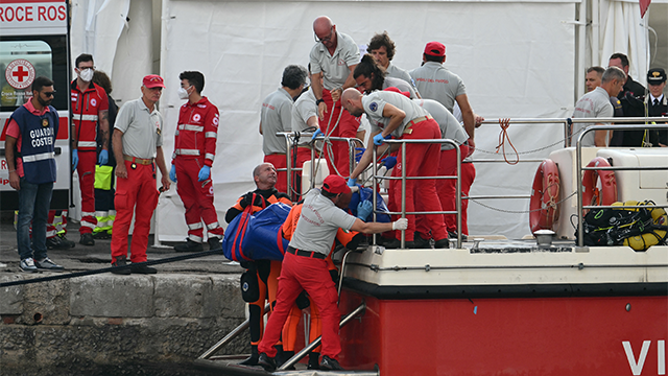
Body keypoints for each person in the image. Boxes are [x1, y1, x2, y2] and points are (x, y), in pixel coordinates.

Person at [257, 175, 408, 372]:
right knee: (329, 310)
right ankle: (329, 356)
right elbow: (362, 228)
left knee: (281, 308)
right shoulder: (332, 213)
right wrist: (394, 226)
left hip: (290, 258)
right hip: (311, 263)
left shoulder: (311, 196)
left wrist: (353, 187)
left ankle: (265, 353)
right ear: (337, 195)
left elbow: (322, 191)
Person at [341, 88, 449, 248]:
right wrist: (353, 176)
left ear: (350, 102)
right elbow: (371, 152)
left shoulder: (371, 102)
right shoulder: (373, 117)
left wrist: (384, 135)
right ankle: (441, 237)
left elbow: (399, 115)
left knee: (401, 185)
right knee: (427, 186)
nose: (348, 113)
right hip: (430, 127)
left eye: (346, 108)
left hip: (415, 130)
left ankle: (405, 236)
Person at [225, 163, 292, 366]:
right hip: (252, 263)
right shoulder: (247, 197)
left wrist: (263, 201)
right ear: (257, 177)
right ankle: (255, 352)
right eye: (268, 170)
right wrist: (245, 202)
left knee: (275, 307)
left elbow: (286, 215)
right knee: (254, 307)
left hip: (273, 263)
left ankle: (275, 352)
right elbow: (230, 217)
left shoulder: (281, 198)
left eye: (274, 170)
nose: (273, 172)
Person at [109, 74, 171, 275]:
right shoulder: (130, 107)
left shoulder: (157, 116)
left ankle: (139, 258)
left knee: (145, 217)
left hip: (148, 168)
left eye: (159, 89)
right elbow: (117, 134)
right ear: (142, 89)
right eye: (153, 88)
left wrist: (164, 174)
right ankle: (118, 258)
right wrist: (120, 163)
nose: (157, 92)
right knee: (124, 214)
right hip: (130, 166)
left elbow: (158, 147)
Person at [5, 76, 64, 272]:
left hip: (46, 172)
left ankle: (41, 256)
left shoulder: (52, 113)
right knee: (25, 217)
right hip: (28, 173)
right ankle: (26, 257)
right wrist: (12, 172)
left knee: (41, 217)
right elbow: (9, 144)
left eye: (52, 93)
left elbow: (51, 141)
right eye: (47, 94)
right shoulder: (20, 114)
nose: (51, 97)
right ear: (35, 93)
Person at [169, 71, 225, 252]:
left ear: (192, 87)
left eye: (183, 85)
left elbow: (211, 139)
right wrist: (174, 162)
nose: (181, 89)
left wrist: (207, 165)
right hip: (182, 163)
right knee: (188, 201)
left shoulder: (209, 109)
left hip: (198, 163)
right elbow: (178, 136)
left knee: (204, 200)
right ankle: (195, 238)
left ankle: (215, 237)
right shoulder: (184, 109)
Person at [310, 16, 361, 177]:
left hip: (349, 91)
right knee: (329, 138)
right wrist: (319, 101)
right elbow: (315, 77)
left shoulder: (348, 44)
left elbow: (356, 72)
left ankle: (345, 178)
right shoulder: (316, 50)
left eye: (327, 38)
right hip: (329, 94)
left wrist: (342, 89)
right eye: (321, 39)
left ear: (334, 28)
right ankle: (333, 178)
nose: (325, 42)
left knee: (346, 135)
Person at [71, 53, 110, 246]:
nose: (88, 71)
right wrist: (71, 148)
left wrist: (104, 148)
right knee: (60, 188)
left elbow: (104, 122)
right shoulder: (66, 90)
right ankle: (53, 230)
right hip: (69, 149)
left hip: (89, 150)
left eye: (91, 68)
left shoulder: (100, 93)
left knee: (88, 191)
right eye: (84, 68)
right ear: (76, 69)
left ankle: (87, 230)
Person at [410, 42, 475, 142]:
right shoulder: (455, 80)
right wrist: (470, 138)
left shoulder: (410, 76)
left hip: (416, 134)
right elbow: (466, 111)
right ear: (444, 58)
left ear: (424, 56)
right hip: (444, 137)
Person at [260, 65, 309, 195]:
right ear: (301, 86)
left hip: (268, 157)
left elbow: (261, 129)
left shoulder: (269, 98)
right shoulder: (286, 103)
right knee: (283, 197)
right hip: (282, 159)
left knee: (270, 196)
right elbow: (291, 136)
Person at [91, 70, 118, 239]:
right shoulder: (111, 102)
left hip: (104, 151)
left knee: (101, 189)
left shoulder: (103, 102)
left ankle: (100, 226)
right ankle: (108, 225)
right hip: (111, 153)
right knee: (108, 190)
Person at [572, 67, 626, 147]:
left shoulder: (583, 98)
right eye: (621, 85)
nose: (621, 89)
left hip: (575, 152)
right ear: (614, 82)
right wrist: (604, 157)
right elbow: (599, 140)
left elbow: (571, 128)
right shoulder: (605, 104)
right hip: (591, 156)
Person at [354, 54, 418, 98]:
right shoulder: (368, 93)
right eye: (360, 86)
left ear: (372, 76)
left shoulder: (398, 87)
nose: (362, 89)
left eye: (364, 84)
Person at [645, 68, 667, 146]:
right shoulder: (641, 103)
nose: (655, 88)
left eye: (658, 84)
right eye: (652, 84)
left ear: (665, 83)